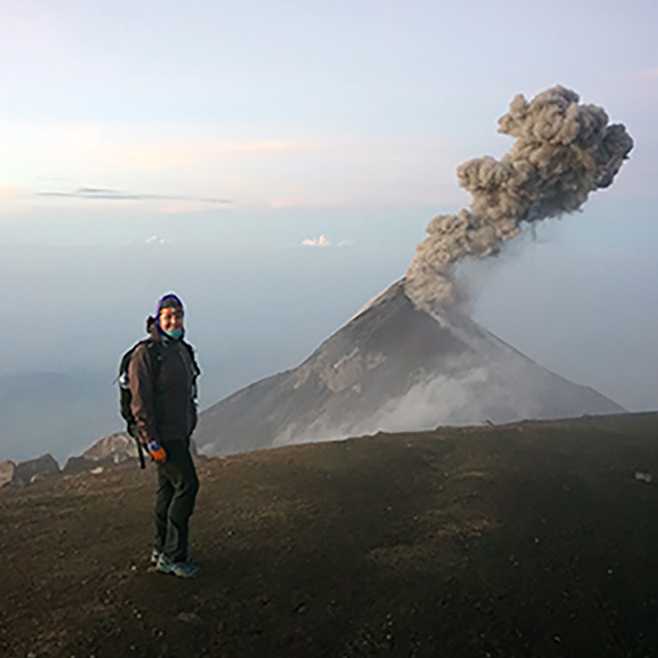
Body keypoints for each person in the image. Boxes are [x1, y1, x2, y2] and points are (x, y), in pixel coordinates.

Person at [128, 293, 201, 578]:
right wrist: (151, 441)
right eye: (168, 316)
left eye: (178, 315)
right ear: (158, 318)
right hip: (164, 437)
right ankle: (173, 556)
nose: (174, 320)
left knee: (168, 490)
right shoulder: (147, 354)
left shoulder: (181, 349)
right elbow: (140, 402)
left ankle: (161, 550)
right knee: (188, 486)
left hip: (179, 432)